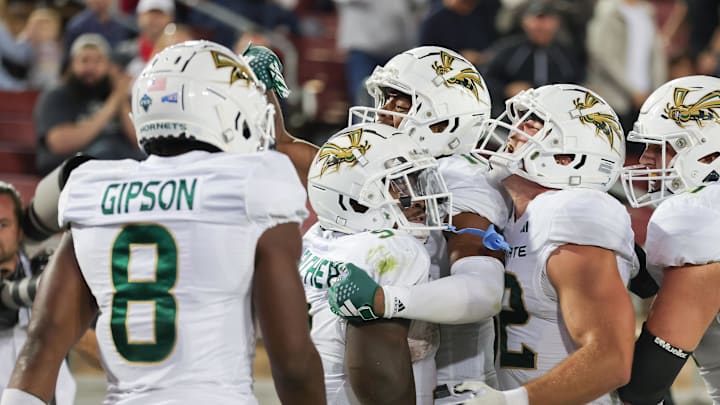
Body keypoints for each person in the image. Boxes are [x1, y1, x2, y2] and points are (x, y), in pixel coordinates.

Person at [1, 40, 325, 405]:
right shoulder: (253, 184)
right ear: (226, 114)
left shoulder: (94, 188)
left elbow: (43, 344)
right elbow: (293, 363)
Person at [340, 46, 509, 402]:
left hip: (449, 384)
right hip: (388, 364)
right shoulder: (389, 168)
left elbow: (482, 289)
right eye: (385, 101)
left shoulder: (459, 177)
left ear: (445, 124)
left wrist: (385, 300)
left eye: (400, 107)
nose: (381, 114)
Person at [463, 84, 637, 404]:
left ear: (566, 157)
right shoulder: (508, 212)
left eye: (529, 126)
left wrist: (510, 402)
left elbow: (611, 357)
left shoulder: (570, 213)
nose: (511, 132)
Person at [303, 122, 452, 404]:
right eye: (400, 186)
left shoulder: (316, 239)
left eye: (416, 182)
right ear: (355, 199)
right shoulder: (390, 249)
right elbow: (376, 375)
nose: (418, 200)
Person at [618, 75, 720, 404]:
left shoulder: (698, 215)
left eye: (661, 147)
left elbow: (643, 388)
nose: (645, 159)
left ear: (709, 154)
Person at [0, 181, 76, 405]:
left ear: (20, 230)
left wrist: (56, 312)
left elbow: (95, 352)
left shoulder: (42, 275)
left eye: (3, 224)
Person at [34, 33, 144, 176]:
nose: (91, 67)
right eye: (84, 60)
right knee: (105, 150)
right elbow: (59, 144)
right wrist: (112, 104)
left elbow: (140, 142)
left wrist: (121, 100)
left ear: (108, 66)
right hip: (72, 174)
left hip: (123, 170)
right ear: (72, 64)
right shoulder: (56, 95)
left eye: (98, 61)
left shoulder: (118, 94)